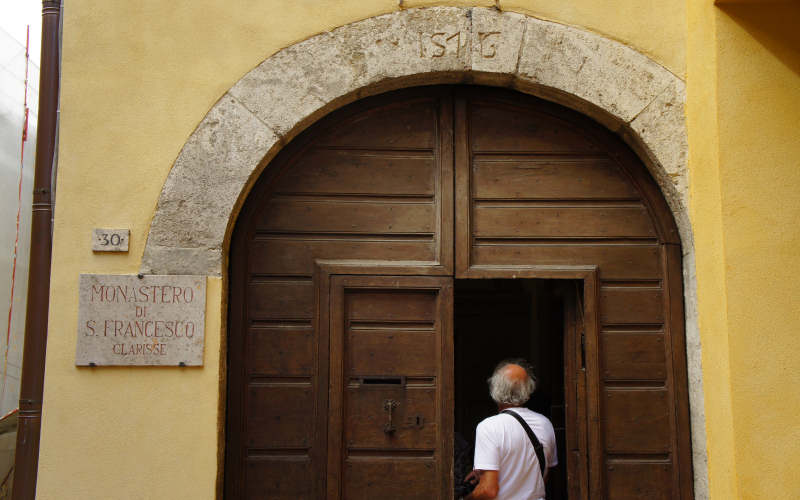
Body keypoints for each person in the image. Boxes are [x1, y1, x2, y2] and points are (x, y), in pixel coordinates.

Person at [464, 359, 557, 500]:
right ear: (528, 389)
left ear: (494, 390)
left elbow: (488, 491)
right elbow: (542, 476)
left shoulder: (488, 427)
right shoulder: (545, 424)